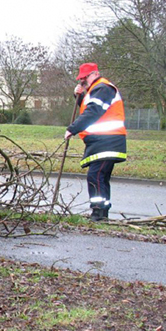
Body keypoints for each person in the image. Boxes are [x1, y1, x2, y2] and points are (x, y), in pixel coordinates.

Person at [64, 63, 127, 221]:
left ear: (94, 74)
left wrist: (73, 128)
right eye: (81, 80)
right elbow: (89, 108)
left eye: (84, 79)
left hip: (106, 141)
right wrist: (78, 98)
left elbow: (94, 112)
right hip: (104, 142)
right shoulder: (96, 91)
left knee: (95, 176)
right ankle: (102, 212)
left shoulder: (102, 88)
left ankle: (98, 213)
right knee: (101, 177)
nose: (82, 82)